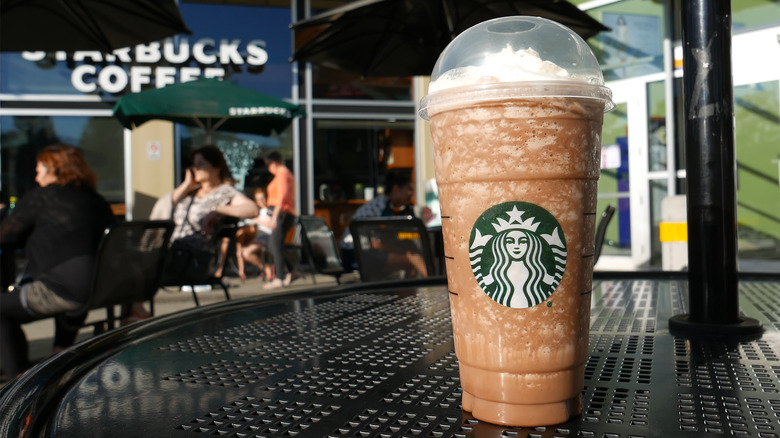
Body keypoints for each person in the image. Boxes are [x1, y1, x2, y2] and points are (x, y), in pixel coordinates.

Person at [0, 143, 115, 378]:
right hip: (97, 287)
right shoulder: (96, 200)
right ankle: (59, 352)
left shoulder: (43, 196)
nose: (36, 175)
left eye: (39, 169)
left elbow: (5, 234)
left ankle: (19, 384)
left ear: (56, 170)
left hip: (64, 289)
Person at [162, 145, 258, 283]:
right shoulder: (189, 192)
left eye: (200, 164)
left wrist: (218, 210)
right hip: (170, 251)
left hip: (192, 259)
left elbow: (252, 209)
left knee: (137, 270)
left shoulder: (225, 192)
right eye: (194, 165)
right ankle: (136, 305)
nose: (196, 169)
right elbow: (164, 208)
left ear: (216, 166)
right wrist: (185, 185)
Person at [340, 170, 427, 278]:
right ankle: (432, 283)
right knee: (410, 257)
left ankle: (415, 290)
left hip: (362, 252)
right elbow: (374, 243)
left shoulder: (386, 205)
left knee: (410, 253)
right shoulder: (381, 207)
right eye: (409, 189)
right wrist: (399, 249)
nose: (411, 194)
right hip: (353, 254)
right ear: (395, 189)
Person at [263, 151, 298, 290]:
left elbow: (281, 198)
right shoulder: (284, 174)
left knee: (275, 245)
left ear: (274, 163)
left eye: (268, 165)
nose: (268, 168)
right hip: (284, 213)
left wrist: (274, 217)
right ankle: (292, 272)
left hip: (282, 213)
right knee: (275, 245)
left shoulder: (283, 174)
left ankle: (279, 277)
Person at [236, 187, 274, 281]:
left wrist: (257, 221)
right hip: (259, 238)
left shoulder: (271, 210)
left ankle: (267, 269)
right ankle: (242, 272)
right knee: (240, 250)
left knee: (246, 252)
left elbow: (271, 225)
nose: (261, 201)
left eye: (263, 198)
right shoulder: (259, 212)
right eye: (258, 199)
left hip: (269, 238)